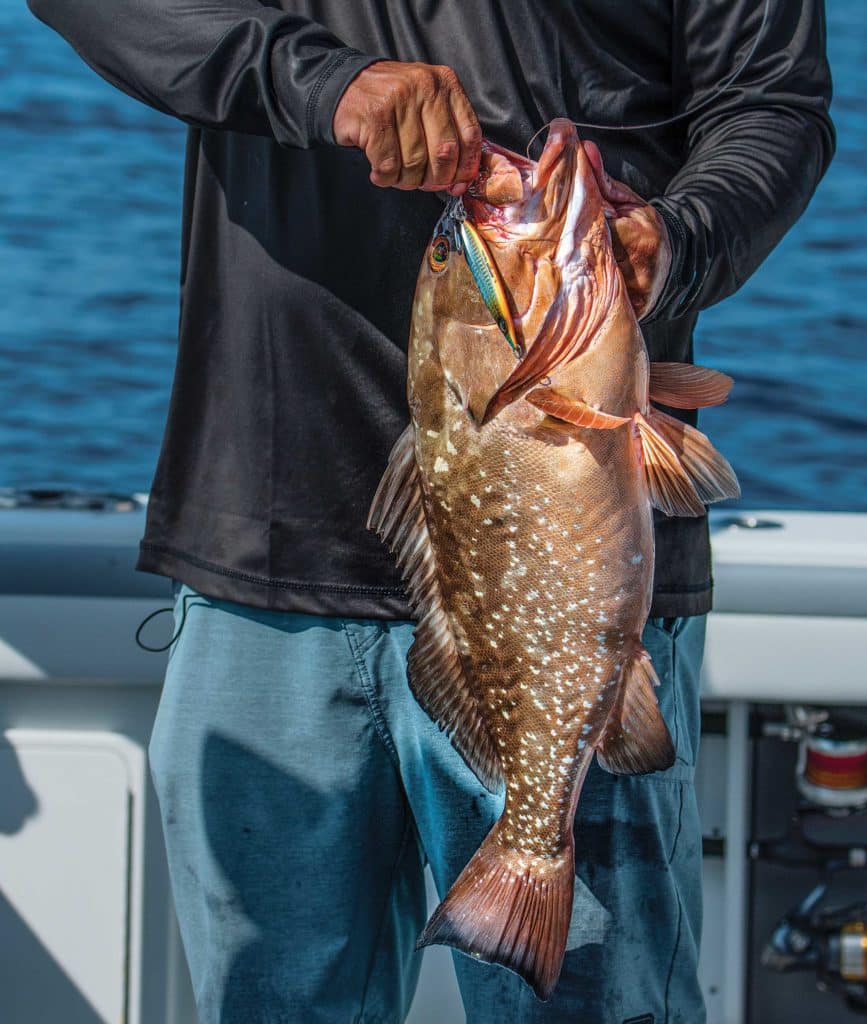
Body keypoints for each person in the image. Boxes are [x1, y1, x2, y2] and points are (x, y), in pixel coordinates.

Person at [27, 1, 834, 1021]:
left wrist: (677, 238)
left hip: (574, 588)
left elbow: (772, 104)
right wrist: (324, 82)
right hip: (269, 540)